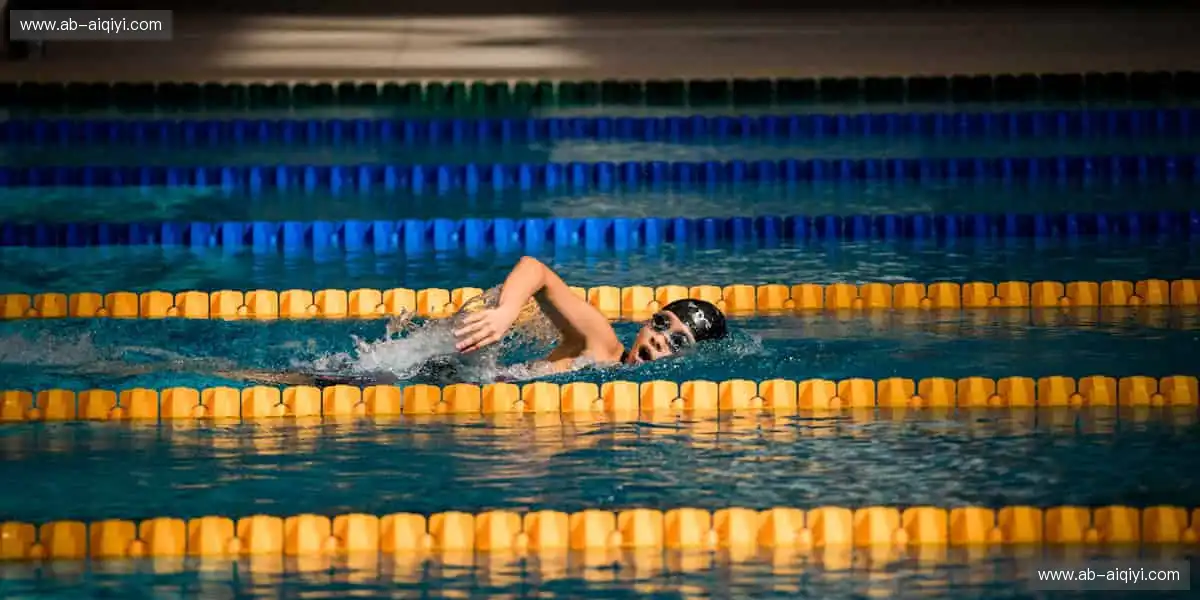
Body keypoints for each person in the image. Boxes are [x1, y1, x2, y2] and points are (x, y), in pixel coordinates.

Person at [451, 256, 728, 373]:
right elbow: (535, 269)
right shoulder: (601, 343)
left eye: (677, 342)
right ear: (646, 322)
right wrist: (506, 311)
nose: (659, 339)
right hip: (455, 375)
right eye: (661, 324)